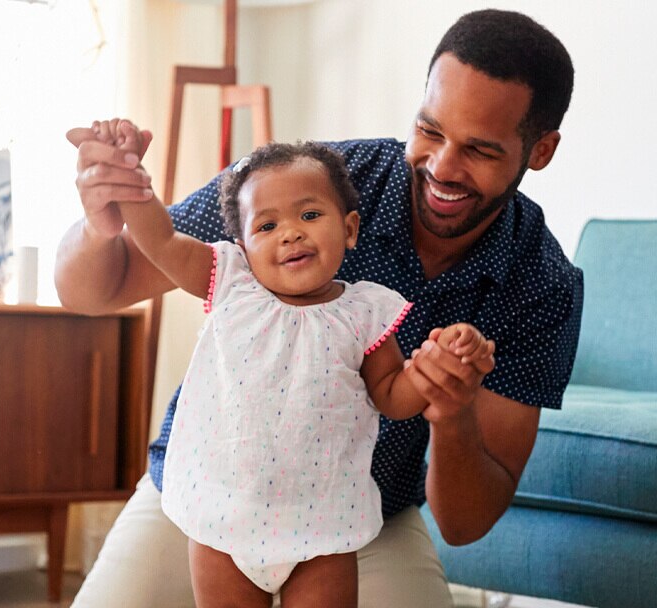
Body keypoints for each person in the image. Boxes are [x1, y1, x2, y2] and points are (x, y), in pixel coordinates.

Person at [56, 8, 583, 608]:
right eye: (431, 131)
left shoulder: (542, 284)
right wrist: (103, 221)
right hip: (204, 499)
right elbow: (94, 288)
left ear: (539, 151)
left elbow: (465, 524)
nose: (441, 167)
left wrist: (450, 410)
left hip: (356, 522)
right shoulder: (304, 186)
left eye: (480, 151)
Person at [95, 131, 495, 606]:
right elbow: (160, 240)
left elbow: (390, 395)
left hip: (322, 529)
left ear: (348, 229)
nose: (291, 233)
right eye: (266, 226)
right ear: (241, 244)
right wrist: (130, 183)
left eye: (309, 215)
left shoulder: (364, 312)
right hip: (224, 521)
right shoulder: (230, 283)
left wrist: (434, 369)